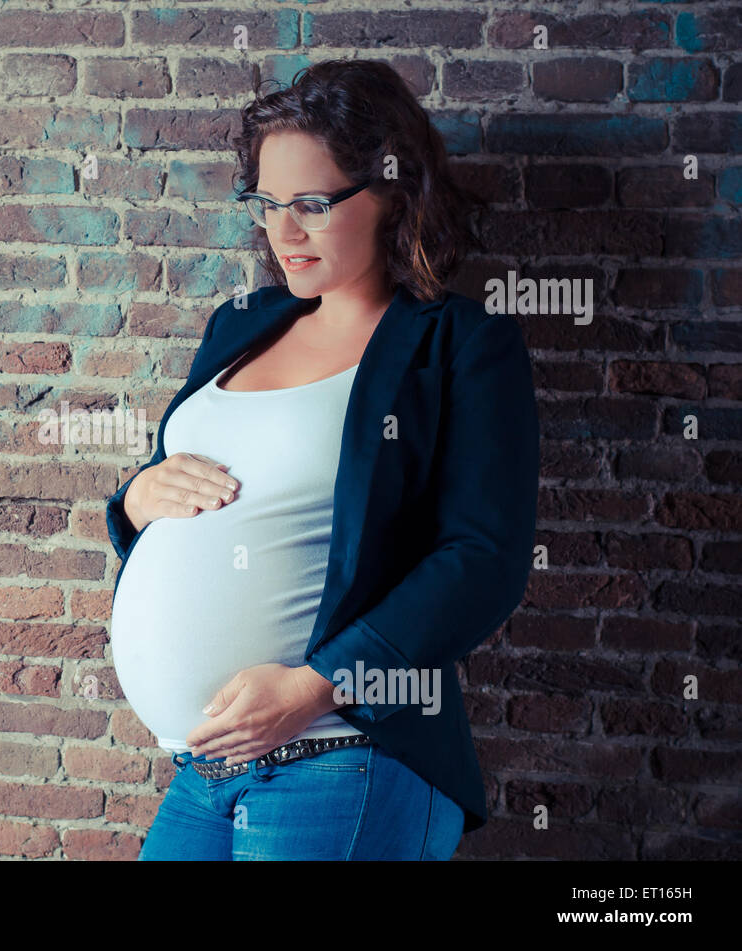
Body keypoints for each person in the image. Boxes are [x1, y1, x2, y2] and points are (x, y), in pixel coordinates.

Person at [104, 59, 540, 860]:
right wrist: (132, 502)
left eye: (312, 203)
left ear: (393, 192)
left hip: (343, 752)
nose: (284, 231)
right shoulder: (242, 324)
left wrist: (315, 686)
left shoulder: (458, 345)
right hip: (207, 766)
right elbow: (196, 496)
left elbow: (483, 557)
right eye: (267, 204)